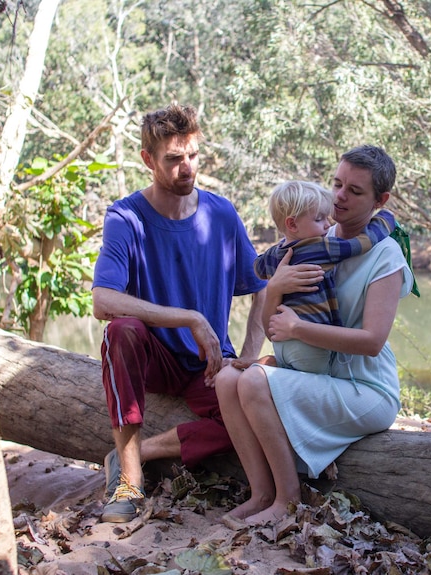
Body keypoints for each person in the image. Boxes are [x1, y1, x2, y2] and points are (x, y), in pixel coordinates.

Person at [213, 145, 414, 526]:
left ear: (380, 200)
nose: (339, 196)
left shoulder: (385, 255)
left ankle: (287, 501)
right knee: (226, 379)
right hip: (314, 373)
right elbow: (274, 320)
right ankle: (261, 494)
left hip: (364, 387)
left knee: (255, 381)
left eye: (355, 191)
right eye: (337, 184)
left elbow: (372, 342)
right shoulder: (313, 234)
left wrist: (299, 329)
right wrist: (275, 289)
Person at [91, 103, 267, 522]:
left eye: (192, 156)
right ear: (148, 160)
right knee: (122, 331)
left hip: (209, 362)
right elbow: (103, 301)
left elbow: (262, 287)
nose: (187, 168)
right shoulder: (126, 217)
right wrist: (189, 317)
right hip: (156, 359)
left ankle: (133, 451)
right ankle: (130, 480)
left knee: (250, 421)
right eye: (174, 159)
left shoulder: (221, 214)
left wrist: (249, 352)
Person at [252, 179, 396, 373]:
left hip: (281, 343)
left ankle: (273, 364)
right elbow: (362, 243)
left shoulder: (272, 255)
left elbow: (257, 268)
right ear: (292, 224)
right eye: (319, 219)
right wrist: (385, 219)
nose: (328, 225)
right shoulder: (322, 248)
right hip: (310, 346)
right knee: (316, 380)